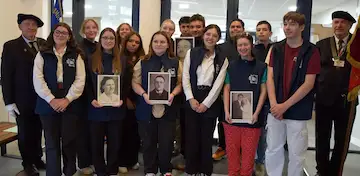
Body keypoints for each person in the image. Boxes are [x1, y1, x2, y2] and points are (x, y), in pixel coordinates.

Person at [265, 11, 320, 176]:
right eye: (285, 24)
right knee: (273, 149)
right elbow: (270, 78)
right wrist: (275, 104)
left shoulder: (311, 51)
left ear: (302, 27)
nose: (287, 28)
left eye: (292, 24)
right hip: (275, 109)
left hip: (298, 110)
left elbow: (308, 84)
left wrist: (284, 106)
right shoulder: (276, 48)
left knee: (297, 154)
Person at [33, 22, 86, 176]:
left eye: (64, 33)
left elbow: (80, 80)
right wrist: (51, 99)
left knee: (69, 142)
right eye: (58, 32)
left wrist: (67, 100)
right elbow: (38, 79)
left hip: (70, 105)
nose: (60, 35)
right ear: (53, 34)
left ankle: (69, 172)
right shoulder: (42, 54)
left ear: (69, 36)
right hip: (47, 105)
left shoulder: (76, 55)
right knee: (51, 143)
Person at [1, 13, 46, 176]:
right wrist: (9, 101)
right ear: (20, 26)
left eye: (34, 25)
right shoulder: (11, 46)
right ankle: (27, 164)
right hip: (22, 99)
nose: (31, 27)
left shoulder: (43, 44)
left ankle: (37, 158)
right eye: (27, 24)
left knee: (38, 130)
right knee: (25, 133)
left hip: (41, 98)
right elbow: (6, 75)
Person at [132, 31, 182, 176]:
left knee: (166, 142)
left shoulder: (175, 62)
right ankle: (150, 170)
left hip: (168, 109)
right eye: (156, 41)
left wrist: (173, 94)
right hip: (147, 108)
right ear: (151, 44)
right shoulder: (143, 61)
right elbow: (135, 82)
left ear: (168, 45)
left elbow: (181, 83)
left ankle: (166, 169)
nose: (159, 44)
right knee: (148, 142)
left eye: (162, 42)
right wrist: (144, 94)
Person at [182, 24, 228, 176]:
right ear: (203, 35)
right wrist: (190, 98)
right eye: (208, 34)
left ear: (218, 39)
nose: (210, 38)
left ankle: (205, 171)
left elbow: (219, 84)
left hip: (211, 100)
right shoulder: (192, 52)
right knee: (192, 137)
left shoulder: (222, 58)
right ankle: (191, 170)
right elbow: (186, 77)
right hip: (192, 97)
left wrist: (206, 104)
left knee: (206, 138)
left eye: (214, 36)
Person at [315, 11, 357, 176]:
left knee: (342, 140)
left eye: (342, 22)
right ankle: (322, 171)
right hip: (323, 99)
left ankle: (335, 171)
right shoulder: (322, 45)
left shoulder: (356, 46)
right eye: (336, 22)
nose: (338, 25)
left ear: (350, 25)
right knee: (321, 138)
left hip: (347, 100)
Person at [223, 33, 267, 176]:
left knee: (248, 159)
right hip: (231, 120)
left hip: (252, 120)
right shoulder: (231, 66)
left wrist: (256, 113)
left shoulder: (261, 67)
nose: (243, 48)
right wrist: (227, 111)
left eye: (245, 44)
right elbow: (226, 89)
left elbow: (263, 92)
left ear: (251, 45)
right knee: (232, 157)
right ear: (236, 47)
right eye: (240, 45)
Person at [86, 27, 125, 176]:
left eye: (111, 38)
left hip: (116, 109)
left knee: (114, 144)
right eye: (105, 38)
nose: (108, 41)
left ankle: (112, 171)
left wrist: (121, 99)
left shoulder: (122, 60)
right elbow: (87, 84)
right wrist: (92, 100)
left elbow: (126, 83)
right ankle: (100, 171)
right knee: (96, 144)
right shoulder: (91, 59)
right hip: (97, 109)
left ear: (115, 41)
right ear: (100, 40)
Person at [213, 18, 246, 161]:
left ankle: (241, 150)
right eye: (232, 27)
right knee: (222, 121)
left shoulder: (247, 46)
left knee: (242, 122)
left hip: (243, 91)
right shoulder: (220, 48)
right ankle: (223, 147)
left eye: (238, 27)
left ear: (243, 29)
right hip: (223, 90)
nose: (235, 29)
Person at [118, 31, 145, 174]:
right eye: (131, 41)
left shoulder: (144, 58)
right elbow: (120, 82)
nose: (134, 44)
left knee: (136, 132)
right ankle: (122, 160)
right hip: (124, 100)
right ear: (125, 42)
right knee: (124, 131)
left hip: (140, 100)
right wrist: (126, 99)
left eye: (137, 42)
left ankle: (133, 159)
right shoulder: (119, 58)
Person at [76, 18, 99, 175]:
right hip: (82, 95)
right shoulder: (78, 47)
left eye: (94, 27)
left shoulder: (99, 46)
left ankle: (94, 160)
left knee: (94, 131)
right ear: (83, 30)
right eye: (88, 28)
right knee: (82, 131)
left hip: (97, 93)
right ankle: (84, 163)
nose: (91, 30)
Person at [253, 20, 273, 176]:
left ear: (270, 33)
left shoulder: (277, 49)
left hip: (271, 97)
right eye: (258, 29)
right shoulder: (252, 50)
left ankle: (261, 161)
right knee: (254, 131)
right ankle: (252, 160)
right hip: (254, 95)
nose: (261, 32)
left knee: (267, 133)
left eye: (264, 29)